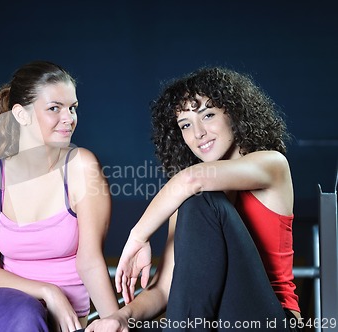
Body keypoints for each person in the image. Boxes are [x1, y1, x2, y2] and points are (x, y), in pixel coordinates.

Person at [85, 66, 301, 331]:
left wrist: (138, 236)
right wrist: (120, 316)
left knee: (198, 198)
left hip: (268, 320)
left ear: (234, 114)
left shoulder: (272, 165)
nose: (198, 133)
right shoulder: (187, 202)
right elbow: (164, 291)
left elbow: (192, 179)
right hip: (209, 321)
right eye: (186, 125)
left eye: (208, 115)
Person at [0, 60, 119, 332]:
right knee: (19, 312)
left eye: (73, 108)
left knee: (28, 317)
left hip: (54, 323)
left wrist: (117, 321)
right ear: (21, 114)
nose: (69, 118)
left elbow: (89, 261)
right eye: (55, 108)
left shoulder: (82, 167)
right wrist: (48, 291)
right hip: (4, 311)